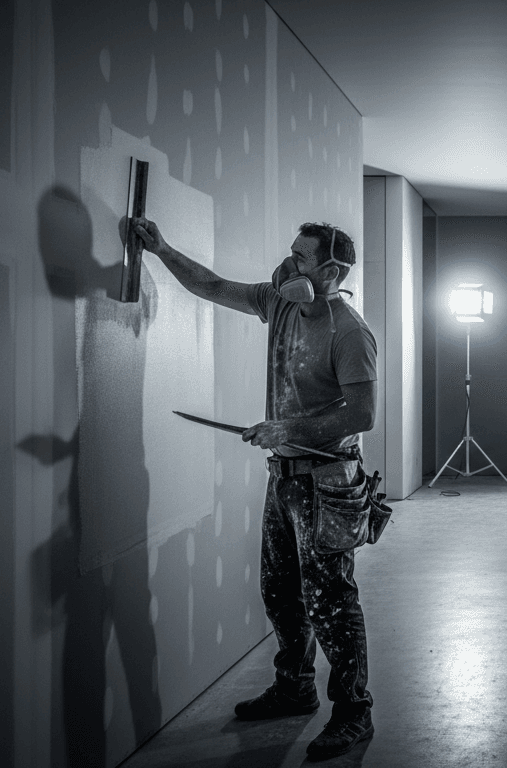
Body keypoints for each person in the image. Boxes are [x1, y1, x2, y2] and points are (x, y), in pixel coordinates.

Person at [132, 217, 378, 761]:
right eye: (291, 253)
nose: (289, 264)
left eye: (302, 259)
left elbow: (363, 414)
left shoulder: (349, 331)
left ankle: (353, 711)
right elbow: (213, 286)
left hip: (329, 480)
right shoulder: (280, 303)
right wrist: (163, 249)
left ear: (332, 272)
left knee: (330, 602)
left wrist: (288, 429)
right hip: (285, 477)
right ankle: (295, 686)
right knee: (280, 590)